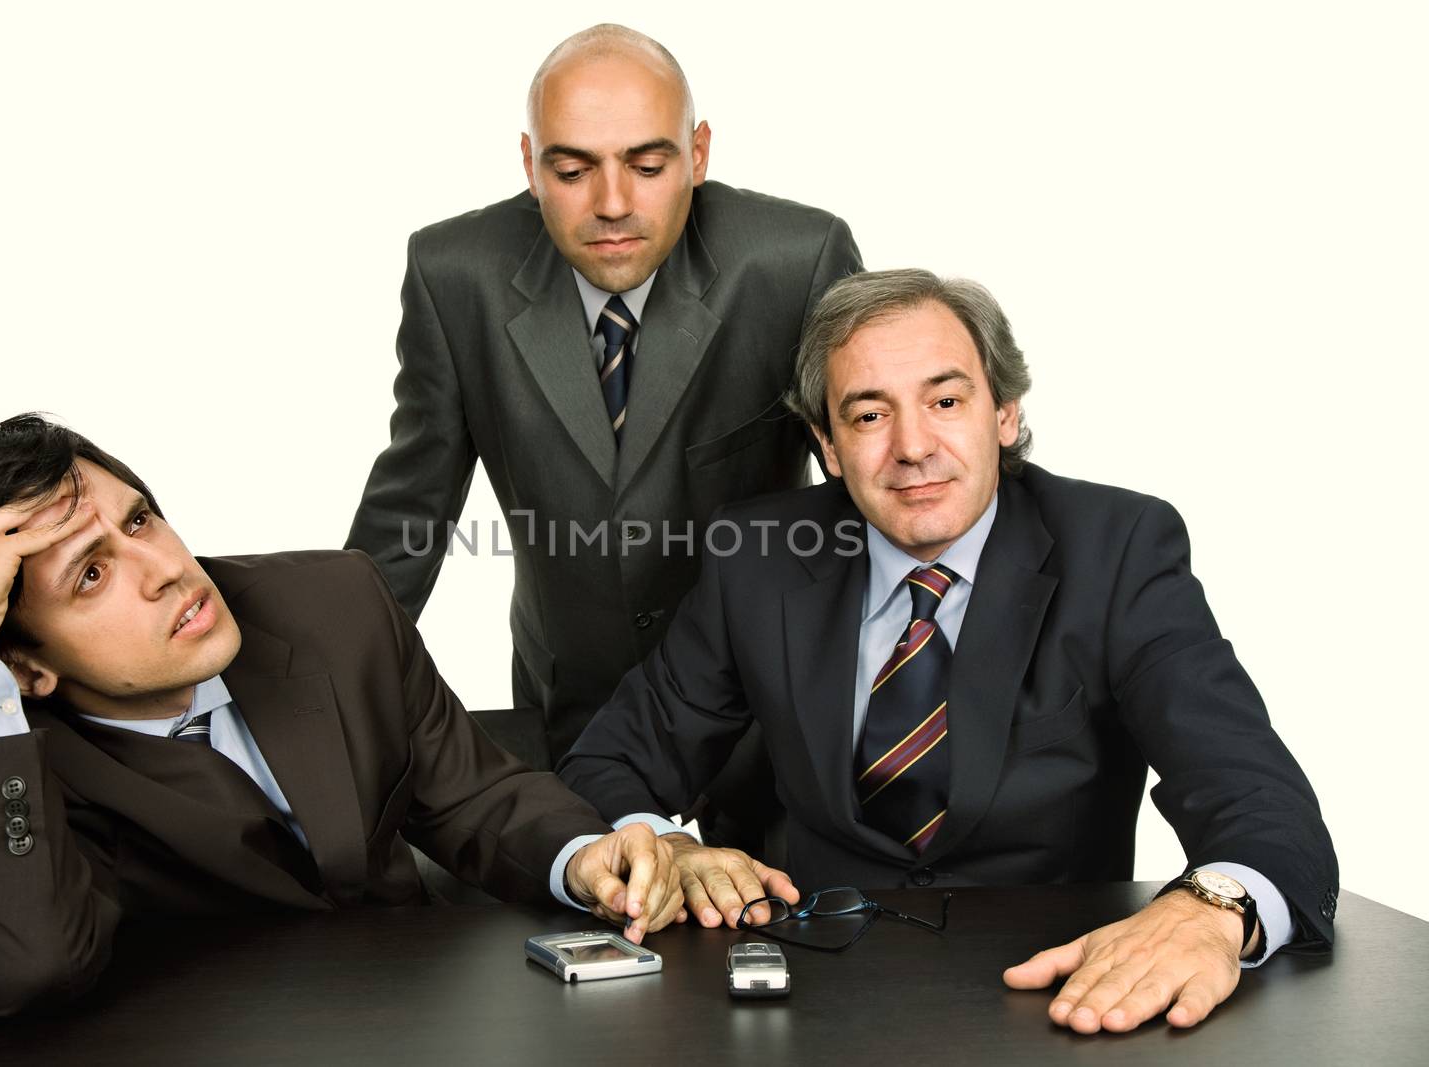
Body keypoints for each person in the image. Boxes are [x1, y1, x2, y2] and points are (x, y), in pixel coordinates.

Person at [557, 269, 1338, 1034]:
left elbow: (1259, 800)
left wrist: (1214, 909)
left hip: (1064, 1000)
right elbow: (608, 761)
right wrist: (658, 843)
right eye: (868, 415)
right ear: (827, 444)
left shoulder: (1119, 550)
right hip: (810, 1004)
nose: (912, 446)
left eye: (946, 400)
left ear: (1004, 412)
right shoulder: (758, 557)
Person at [0, 414, 683, 1017]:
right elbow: (23, 966)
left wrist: (583, 858)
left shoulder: (332, 601)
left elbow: (472, 795)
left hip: (422, 1025)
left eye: (140, 518)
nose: (164, 570)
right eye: (91, 574)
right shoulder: (12, 766)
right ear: (22, 668)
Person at [345, 23, 862, 763]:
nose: (612, 203)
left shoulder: (798, 260)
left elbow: (870, 485)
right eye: (572, 169)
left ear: (700, 153)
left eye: (649, 165)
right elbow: (409, 513)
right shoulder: (452, 274)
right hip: (569, 695)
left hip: (768, 691)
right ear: (529, 163)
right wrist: (323, 692)